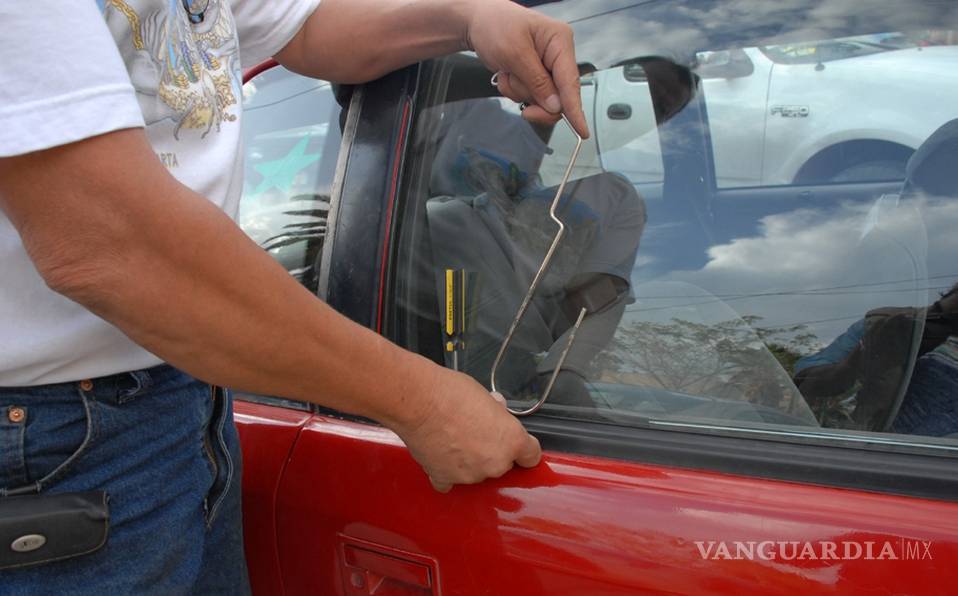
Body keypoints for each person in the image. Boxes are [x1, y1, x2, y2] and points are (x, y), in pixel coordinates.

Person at [0, 1, 588, 593]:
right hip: (58, 440)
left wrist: (468, 18)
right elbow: (107, 241)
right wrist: (425, 404)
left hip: (185, 394)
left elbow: (301, 26)